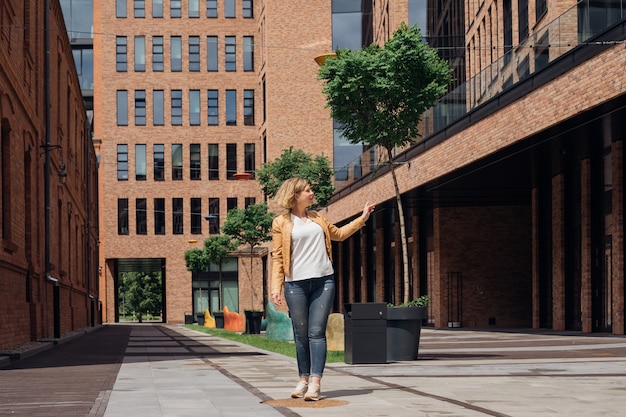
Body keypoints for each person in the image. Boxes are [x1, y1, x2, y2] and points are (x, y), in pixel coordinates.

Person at [270, 177, 375, 401]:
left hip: (323, 281)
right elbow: (278, 257)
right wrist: (275, 288)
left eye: (311, 188)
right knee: (301, 335)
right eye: (307, 190)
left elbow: (338, 234)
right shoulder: (281, 222)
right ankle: (303, 380)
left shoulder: (318, 218)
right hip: (295, 283)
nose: (312, 192)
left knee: (316, 332)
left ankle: (315, 383)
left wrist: (363, 218)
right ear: (295, 195)